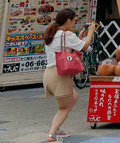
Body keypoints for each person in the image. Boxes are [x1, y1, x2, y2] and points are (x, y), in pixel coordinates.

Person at [43, 9, 95, 143]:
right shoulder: (66, 35)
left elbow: (67, 48)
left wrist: (79, 37)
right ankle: (52, 135)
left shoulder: (53, 33)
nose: (74, 23)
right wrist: (90, 32)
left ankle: (58, 128)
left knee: (74, 97)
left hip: (49, 74)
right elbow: (85, 46)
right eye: (73, 21)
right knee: (64, 107)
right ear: (68, 21)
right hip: (60, 75)